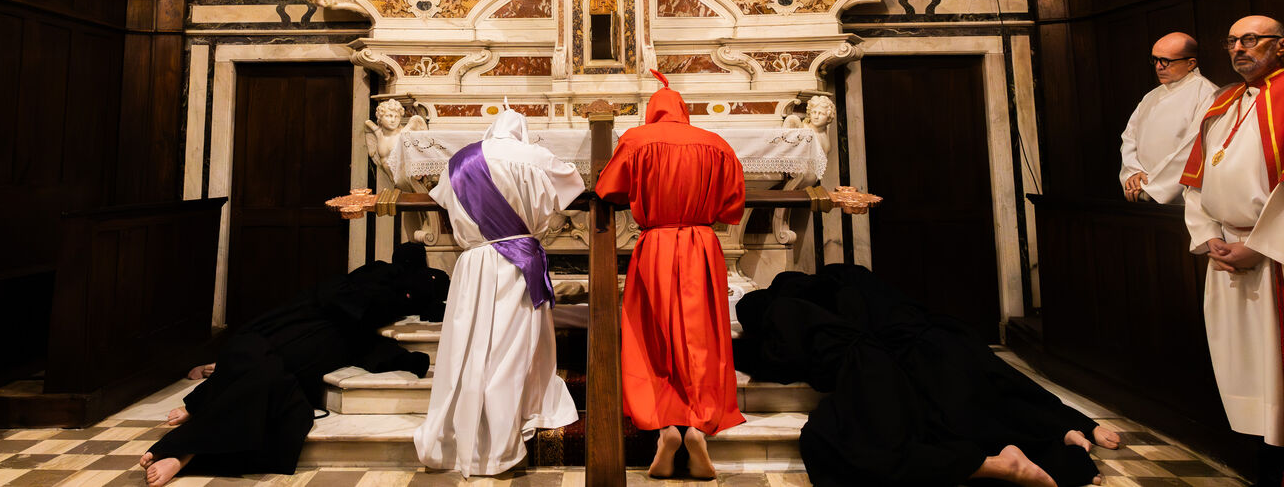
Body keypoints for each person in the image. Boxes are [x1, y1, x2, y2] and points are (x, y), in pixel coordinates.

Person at [735, 266, 1120, 487]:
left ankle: (1031, 448)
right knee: (990, 395)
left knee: (937, 423)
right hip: (936, 335)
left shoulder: (790, 313)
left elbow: (786, 360)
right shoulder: (839, 281)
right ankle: (1065, 432)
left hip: (897, 357)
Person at [138, 244, 447, 486]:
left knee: (275, 393)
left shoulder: (367, 321)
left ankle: (188, 451)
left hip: (311, 351)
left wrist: (409, 358)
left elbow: (372, 343)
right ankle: (194, 421)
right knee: (255, 359)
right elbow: (336, 299)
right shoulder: (356, 283)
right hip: (298, 331)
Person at [414, 108, 584, 476]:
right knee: (510, 349)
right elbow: (574, 184)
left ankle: (460, 432)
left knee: (467, 347)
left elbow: (441, 196)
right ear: (522, 132)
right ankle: (497, 445)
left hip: (474, 265)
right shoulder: (534, 156)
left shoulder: (459, 162)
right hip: (515, 264)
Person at [595, 70, 745, 480]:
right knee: (703, 339)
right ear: (684, 111)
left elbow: (608, 189)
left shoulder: (637, 140)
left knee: (653, 338)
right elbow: (732, 204)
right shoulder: (716, 144)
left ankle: (665, 430)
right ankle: (699, 426)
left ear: (653, 112)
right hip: (701, 245)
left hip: (657, 244)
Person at [1180, 15, 1284, 486]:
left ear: (1279, 46)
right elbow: (1195, 182)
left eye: (1251, 40)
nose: (1239, 48)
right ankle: (1259, 463)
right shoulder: (1222, 104)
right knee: (1242, 368)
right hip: (1225, 254)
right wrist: (1209, 237)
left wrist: (1260, 247)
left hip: (1273, 258)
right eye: (1232, 42)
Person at [1120, 32, 1216, 203]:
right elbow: (1129, 138)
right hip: (1141, 190)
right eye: (1155, 60)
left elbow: (1192, 149)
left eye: (1166, 61)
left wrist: (1152, 187)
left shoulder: (1207, 95)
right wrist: (1134, 173)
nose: (1159, 66)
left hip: (1182, 199)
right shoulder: (1150, 97)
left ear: (1190, 63)